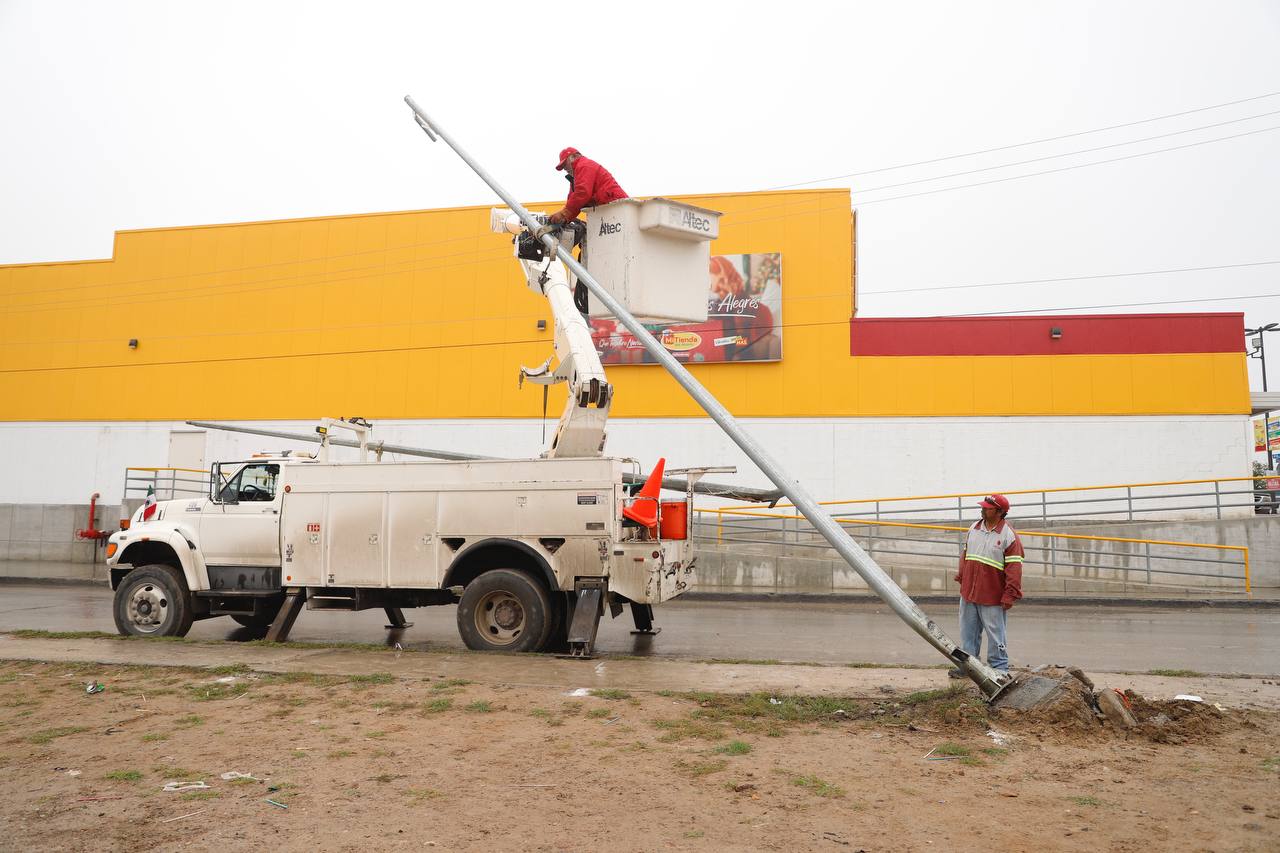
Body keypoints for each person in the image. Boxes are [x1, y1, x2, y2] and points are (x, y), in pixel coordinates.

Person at [950, 493, 1023, 677]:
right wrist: (962, 575)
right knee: (968, 633)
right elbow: (966, 554)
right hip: (969, 592)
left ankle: (999, 669)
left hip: (992, 596)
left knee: (995, 634)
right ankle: (969, 667)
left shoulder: (1009, 536)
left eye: (987, 508)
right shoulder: (974, 528)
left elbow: (1014, 569)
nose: (982, 509)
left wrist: (1010, 595)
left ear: (999, 512)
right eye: (983, 506)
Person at [546, 147, 628, 225]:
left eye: (564, 164)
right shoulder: (576, 176)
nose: (564, 168)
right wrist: (565, 217)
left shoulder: (584, 165)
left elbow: (582, 193)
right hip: (608, 209)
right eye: (562, 166)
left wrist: (563, 214)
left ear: (574, 157)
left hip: (618, 205)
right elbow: (574, 200)